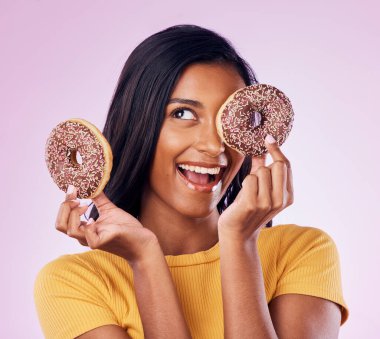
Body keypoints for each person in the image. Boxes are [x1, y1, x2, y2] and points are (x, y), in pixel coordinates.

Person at [34, 24, 349, 339]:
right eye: (183, 114)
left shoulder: (302, 252)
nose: (214, 145)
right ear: (137, 123)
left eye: (229, 119)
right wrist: (145, 259)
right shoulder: (75, 282)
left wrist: (240, 244)